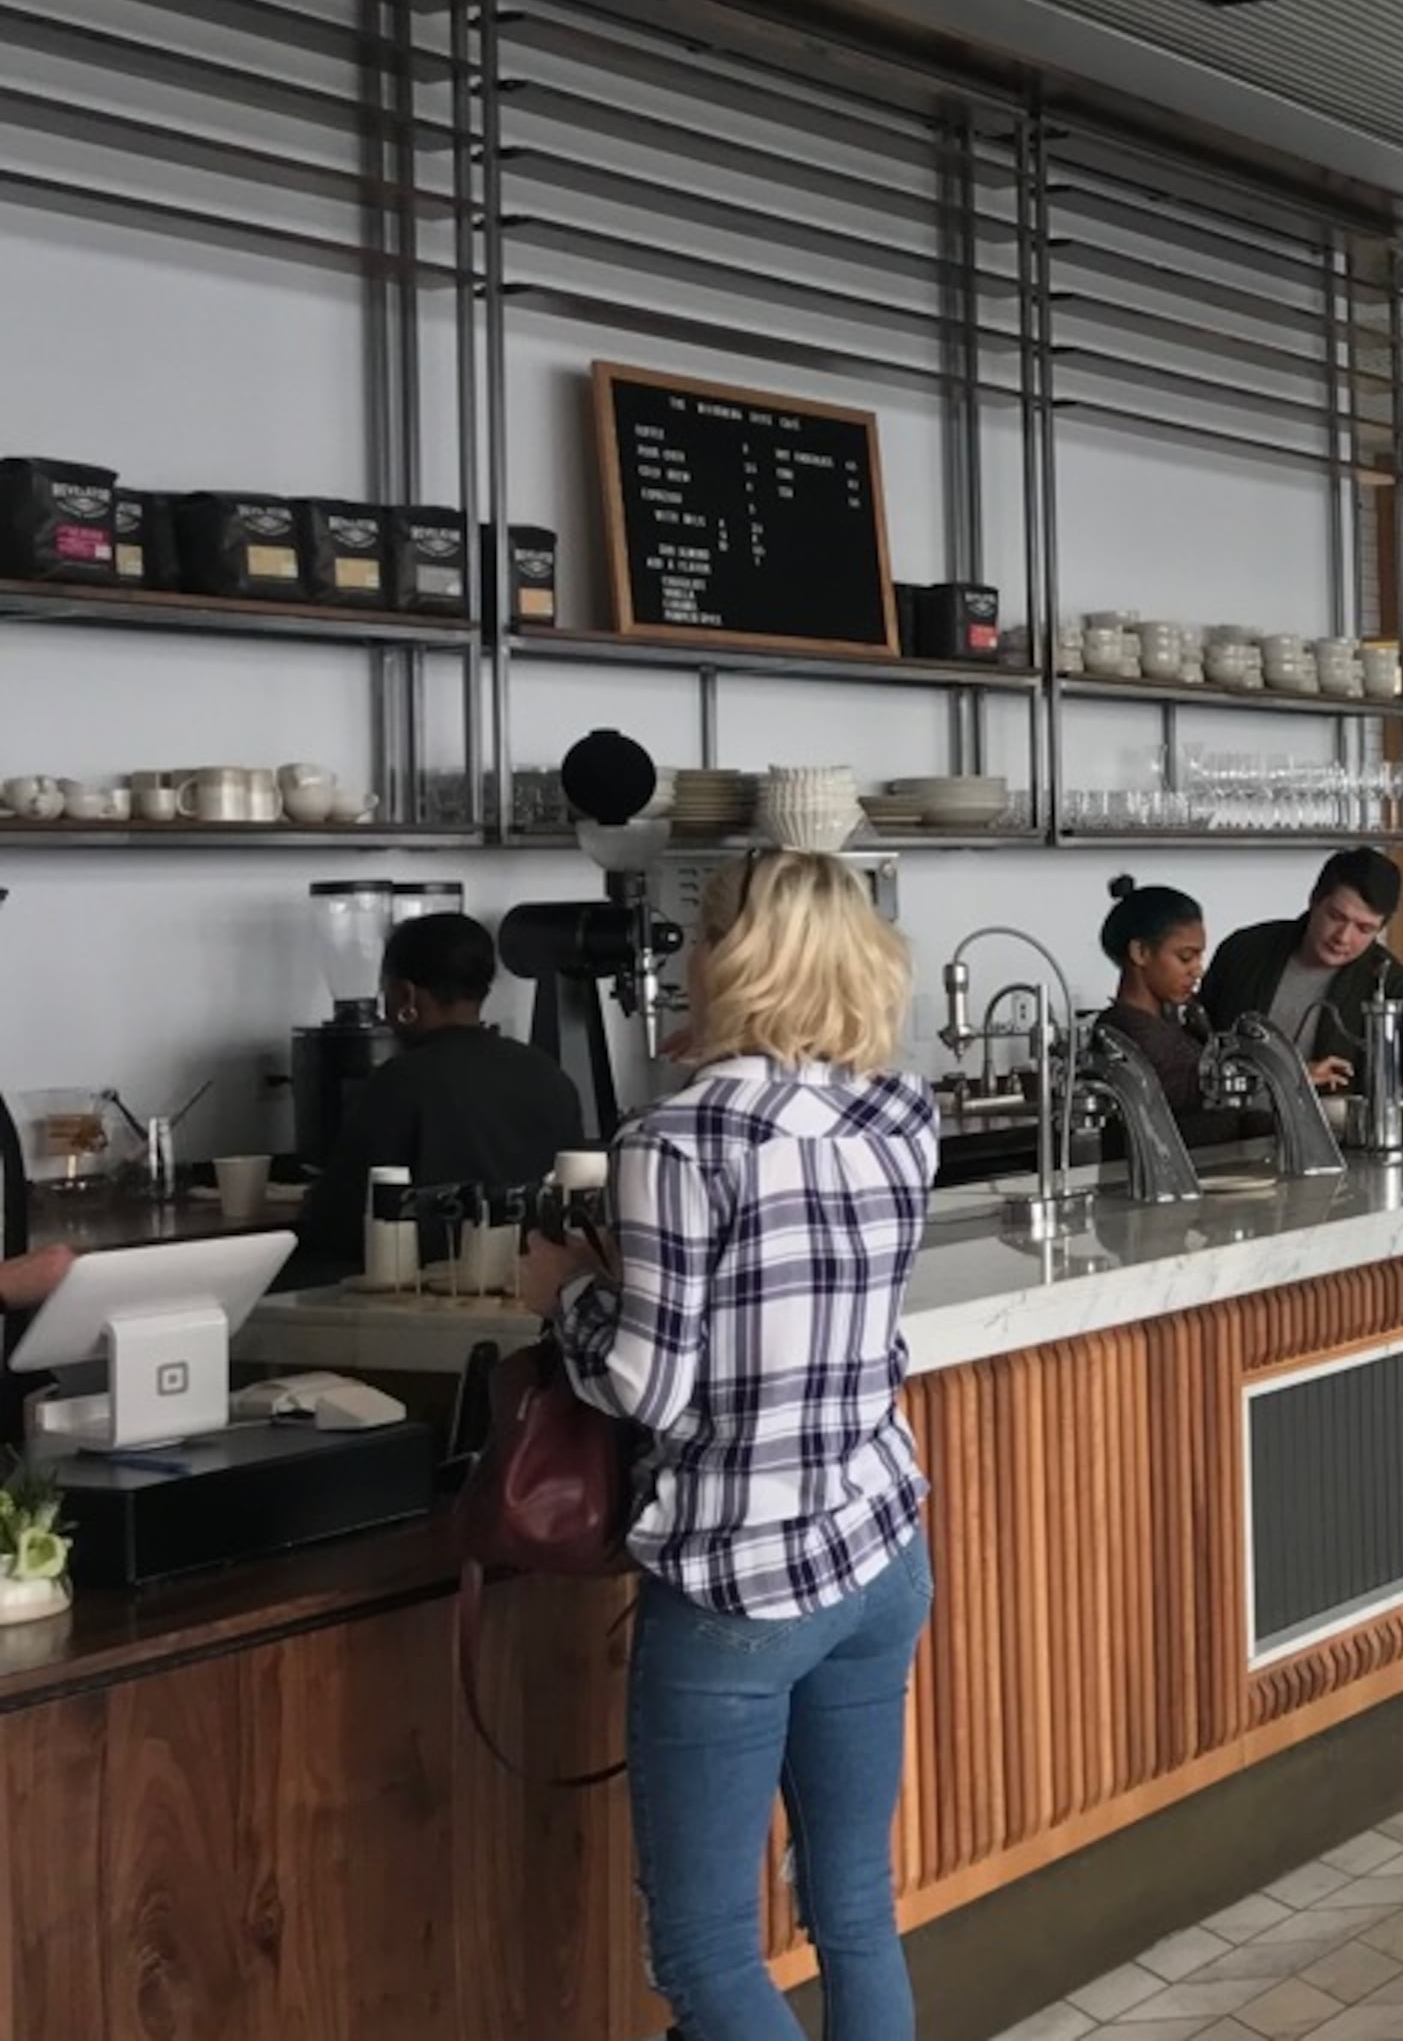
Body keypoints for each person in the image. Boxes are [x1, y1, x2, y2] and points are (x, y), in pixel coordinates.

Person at [520, 850, 939, 2041]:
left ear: (734, 960)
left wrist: (561, 1294)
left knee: (706, 1951)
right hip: (877, 1542)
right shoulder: (900, 1114)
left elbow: (648, 1384)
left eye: (700, 939)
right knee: (856, 1904)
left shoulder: (677, 1137)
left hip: (738, 1576)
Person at [302, 910, 588, 1272]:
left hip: (431, 1294)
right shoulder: (548, 1073)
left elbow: (338, 1222)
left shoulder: (400, 1081)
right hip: (533, 1289)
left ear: (404, 994)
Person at [1197, 848, 1403, 1093]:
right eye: (1336, 917)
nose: (1343, 937)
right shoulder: (1244, 951)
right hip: (1235, 1135)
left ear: (1381, 930)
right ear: (1313, 900)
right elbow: (1194, 1052)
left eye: (1364, 928)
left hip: (1340, 1138)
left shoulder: (1394, 984)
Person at [1094, 877, 1211, 1115]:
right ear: (1141, 952)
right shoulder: (1128, 1033)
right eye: (1186, 957)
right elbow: (1193, 1107)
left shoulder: (1172, 1023)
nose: (1198, 970)